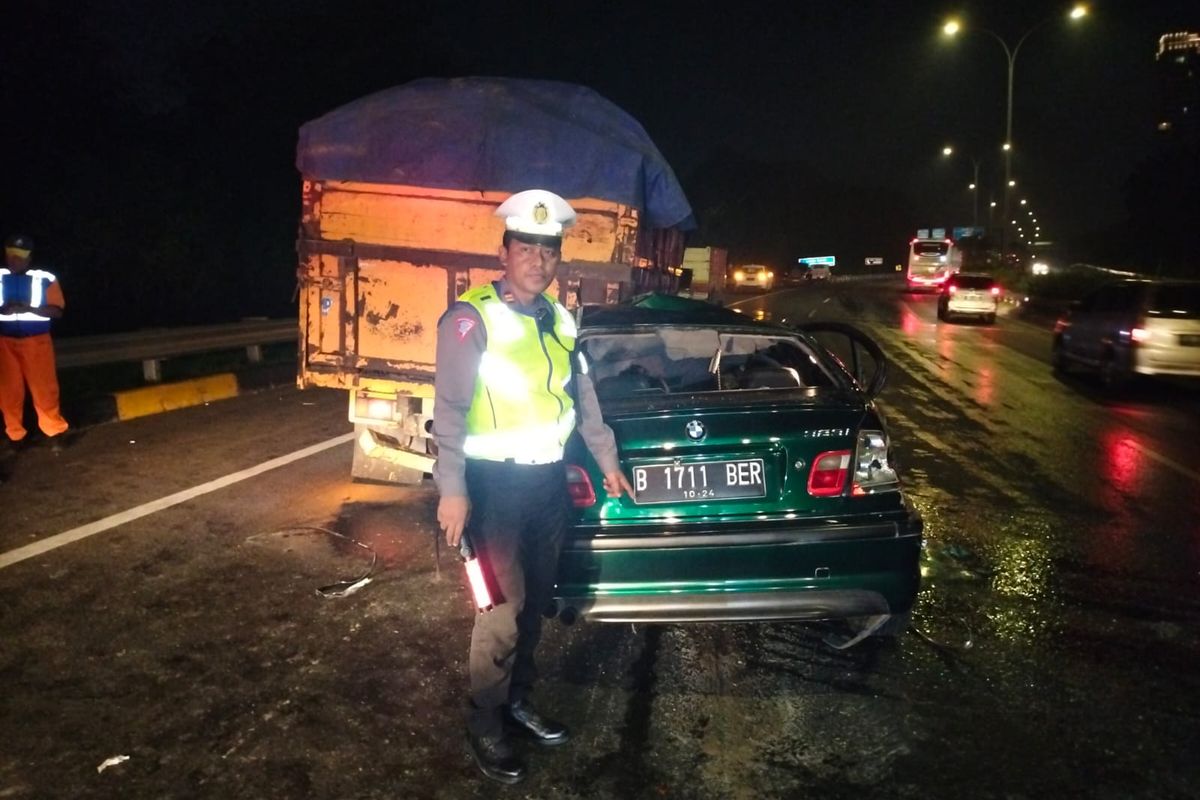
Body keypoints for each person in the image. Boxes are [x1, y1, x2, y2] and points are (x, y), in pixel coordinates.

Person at [433, 189, 634, 785]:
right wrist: (453, 489)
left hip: (546, 484)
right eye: (527, 247)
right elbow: (447, 409)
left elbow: (584, 401)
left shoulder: (561, 319)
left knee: (537, 603)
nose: (538, 260)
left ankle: (518, 699)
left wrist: (607, 460)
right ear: (505, 252)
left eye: (548, 250)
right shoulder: (470, 319)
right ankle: (486, 719)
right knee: (500, 610)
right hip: (491, 489)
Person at [0, 234, 70, 453]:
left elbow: (57, 311)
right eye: (11, 255)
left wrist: (28, 308)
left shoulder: (45, 278)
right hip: (5, 343)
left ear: (29, 258)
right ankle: (15, 436)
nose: (15, 260)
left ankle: (54, 433)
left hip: (36, 343)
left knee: (44, 390)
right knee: (8, 392)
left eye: (20, 256)